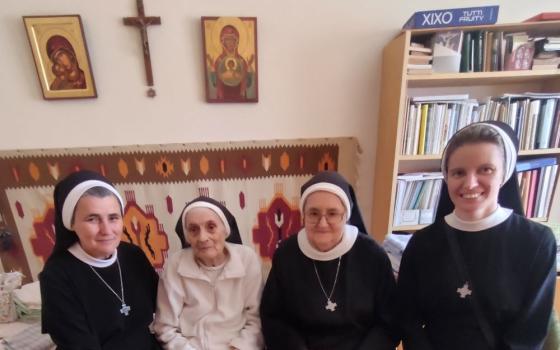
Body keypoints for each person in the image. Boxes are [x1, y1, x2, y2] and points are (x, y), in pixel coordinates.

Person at [398, 121, 557, 349]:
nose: (470, 183)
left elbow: (529, 333)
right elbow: (408, 320)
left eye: (485, 169)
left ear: (503, 174)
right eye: (458, 172)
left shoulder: (537, 242)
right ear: (447, 177)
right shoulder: (423, 244)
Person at [260, 171, 400, 350]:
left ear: (346, 216)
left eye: (333, 213)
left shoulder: (372, 256)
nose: (322, 223)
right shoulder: (286, 255)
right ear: (303, 215)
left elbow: (389, 321)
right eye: (314, 213)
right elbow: (274, 317)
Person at [39, 170, 161, 349]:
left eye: (113, 218)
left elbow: (164, 307)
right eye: (92, 219)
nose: (106, 230)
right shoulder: (57, 276)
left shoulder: (133, 255)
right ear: (71, 223)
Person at [154, 196, 263, 350]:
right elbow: (165, 327)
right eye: (193, 230)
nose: (202, 237)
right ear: (187, 237)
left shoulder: (247, 259)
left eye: (211, 227)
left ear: (225, 230)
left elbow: (256, 320)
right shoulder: (175, 265)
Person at [206, 24, 255, 100]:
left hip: (239, 97)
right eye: (227, 39)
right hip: (224, 96)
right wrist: (212, 67)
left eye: (232, 39)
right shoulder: (219, 61)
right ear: (223, 42)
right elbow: (215, 83)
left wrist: (248, 67)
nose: (230, 42)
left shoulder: (241, 61)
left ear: (237, 41)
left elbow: (248, 84)